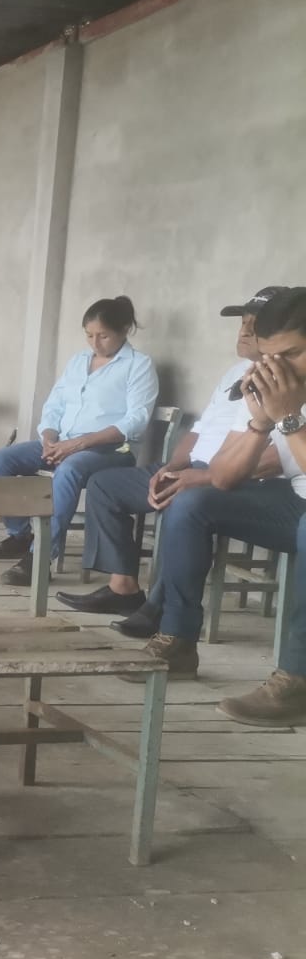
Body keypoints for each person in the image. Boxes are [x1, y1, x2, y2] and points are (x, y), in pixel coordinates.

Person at [127, 288, 306, 720]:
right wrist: (259, 421)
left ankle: (298, 679)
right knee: (193, 501)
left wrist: (289, 418)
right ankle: (178, 639)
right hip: (294, 500)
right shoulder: (277, 385)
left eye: (293, 354)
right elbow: (224, 476)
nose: (279, 367)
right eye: (271, 357)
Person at [58, 289, 285, 627]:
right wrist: (171, 467)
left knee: (184, 502)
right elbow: (198, 431)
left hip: (243, 478)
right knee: (104, 486)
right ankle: (123, 588)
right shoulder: (237, 372)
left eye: (257, 324)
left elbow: (278, 455)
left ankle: (161, 609)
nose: (244, 331)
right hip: (196, 466)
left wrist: (203, 477)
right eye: (243, 322)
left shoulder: (289, 380)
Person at [0, 296, 158, 586]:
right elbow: (54, 405)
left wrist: (79, 444)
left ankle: (40, 558)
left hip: (110, 450)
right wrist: (49, 438)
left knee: (70, 470)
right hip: (63, 443)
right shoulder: (78, 362)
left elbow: (136, 419)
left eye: (103, 336)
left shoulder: (139, 365)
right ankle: (20, 535)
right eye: (89, 335)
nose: (95, 343)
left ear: (125, 329)